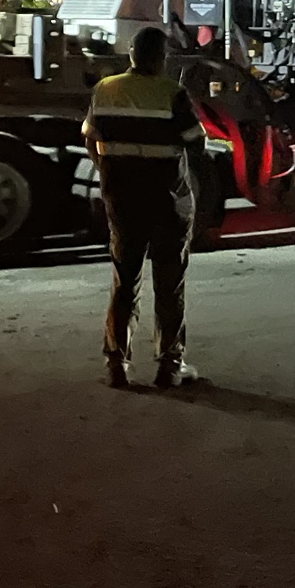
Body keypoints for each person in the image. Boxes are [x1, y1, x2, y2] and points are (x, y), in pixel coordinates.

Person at [83, 26, 204, 389]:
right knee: (169, 282)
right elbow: (195, 143)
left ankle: (116, 364)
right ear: (161, 58)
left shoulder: (105, 89)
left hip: (121, 199)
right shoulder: (173, 92)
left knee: (125, 279)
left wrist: (109, 172)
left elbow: (91, 138)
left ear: (131, 55)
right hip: (167, 200)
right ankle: (169, 365)